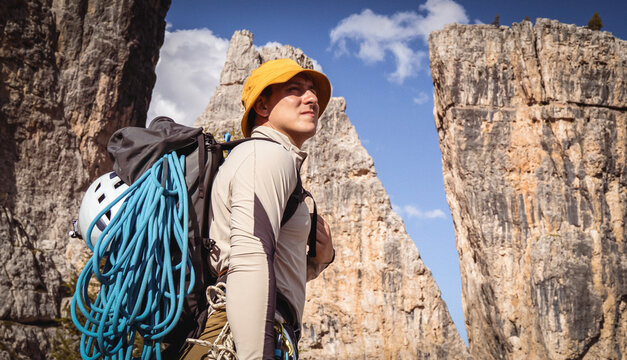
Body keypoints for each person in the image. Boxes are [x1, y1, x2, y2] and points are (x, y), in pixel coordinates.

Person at [180, 58, 335, 360]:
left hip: (246, 334)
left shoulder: (269, 158)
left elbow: (275, 271)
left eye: (313, 91)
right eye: (295, 89)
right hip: (240, 340)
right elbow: (250, 258)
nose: (312, 98)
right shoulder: (266, 155)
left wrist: (319, 262)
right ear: (262, 107)